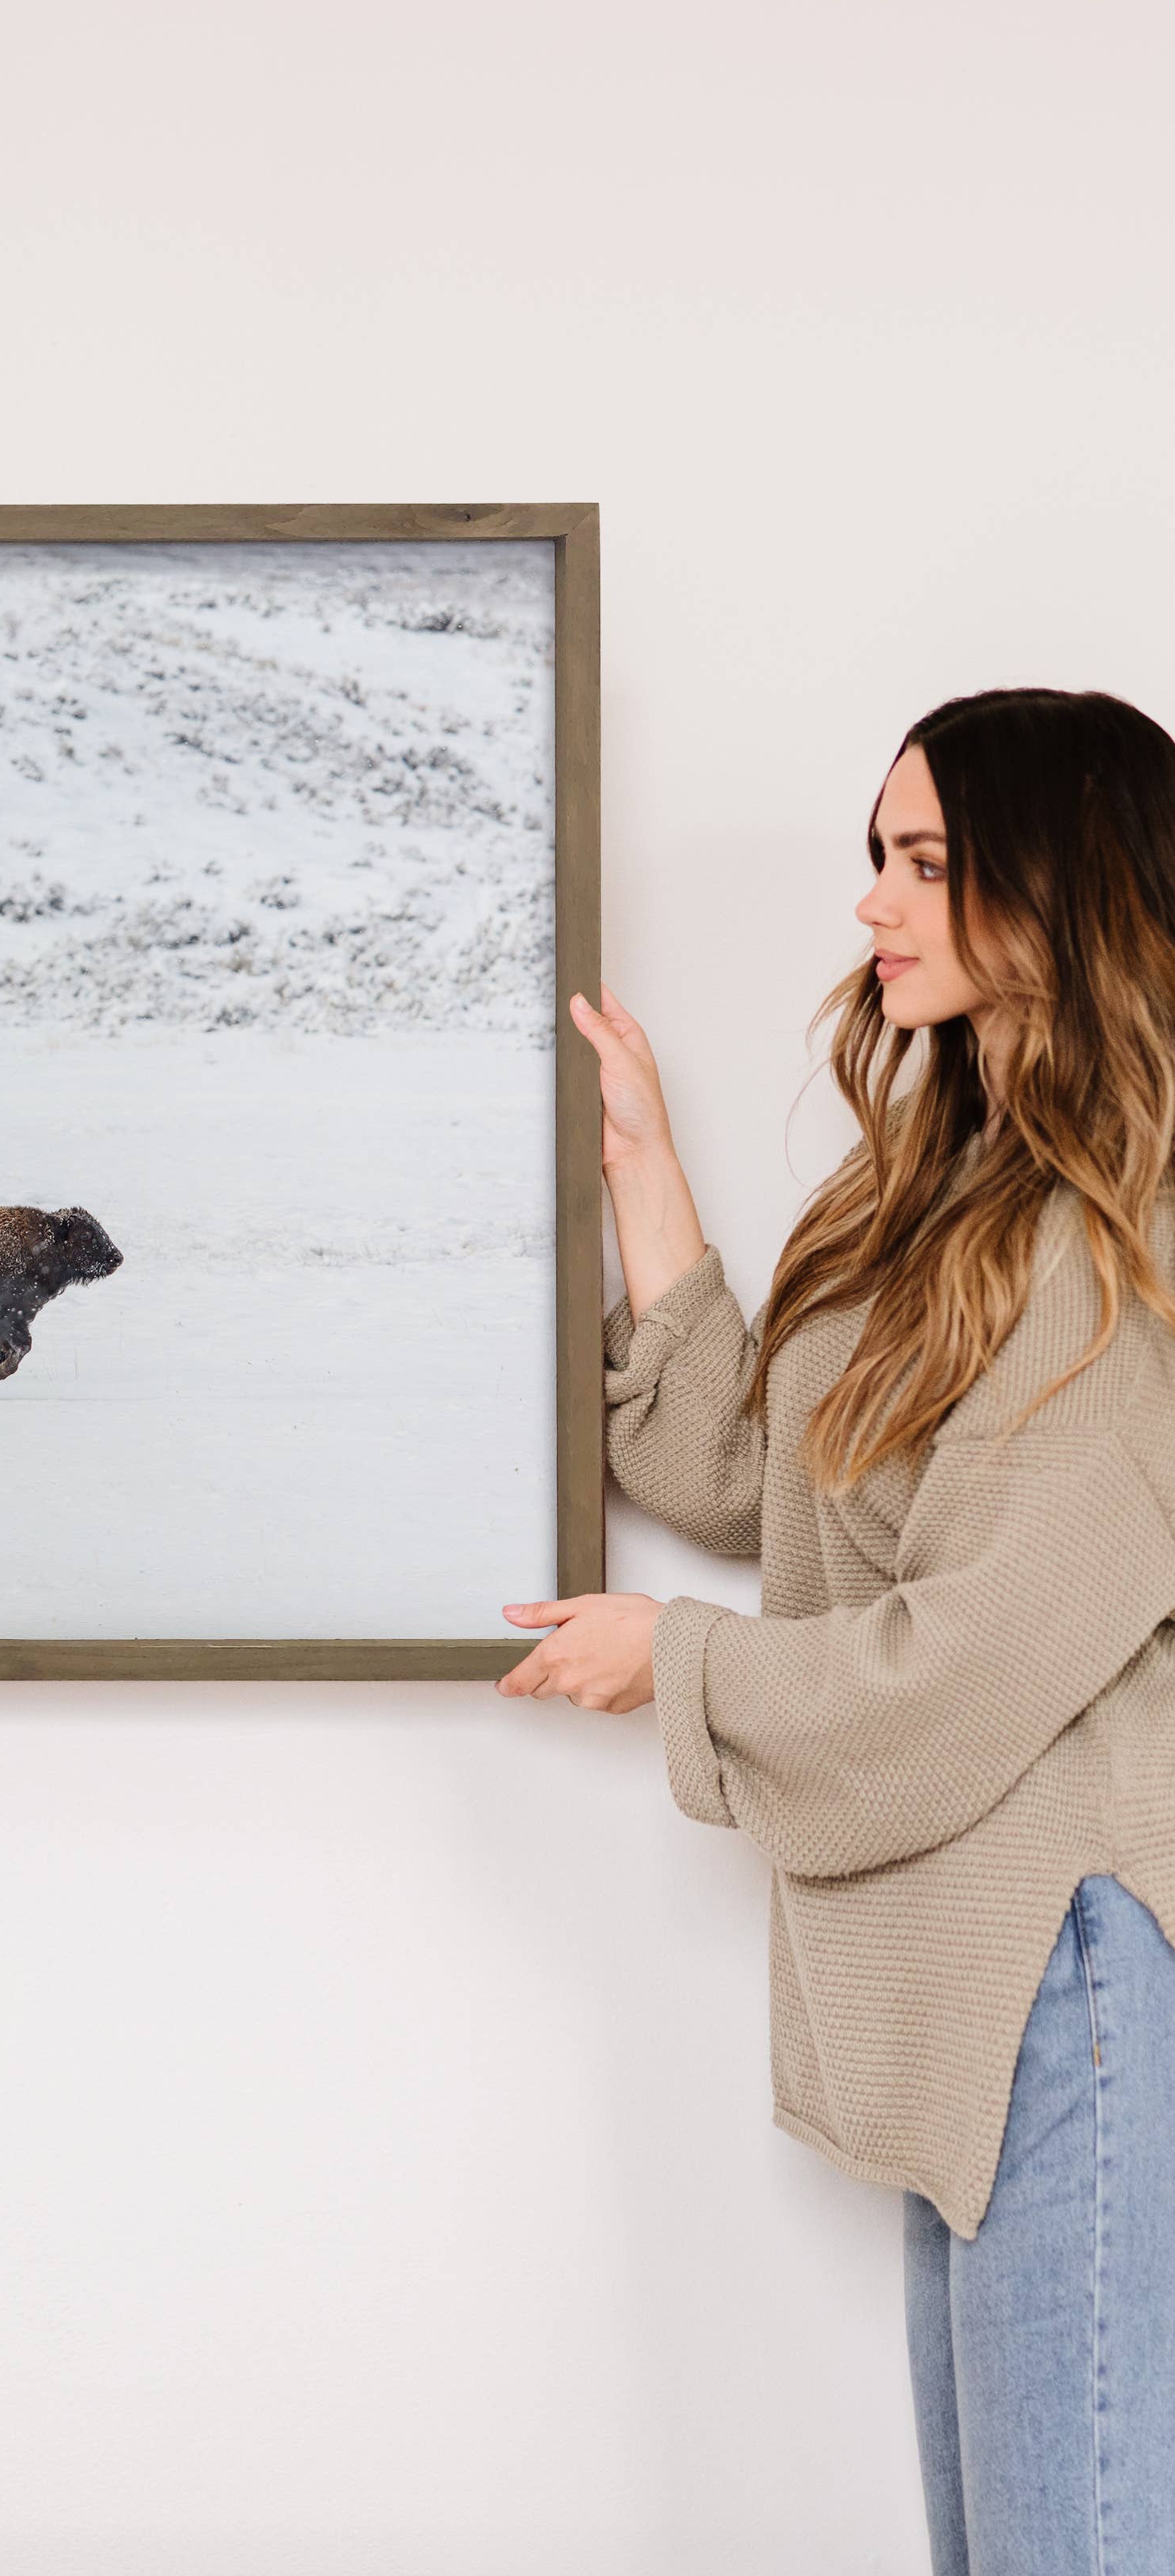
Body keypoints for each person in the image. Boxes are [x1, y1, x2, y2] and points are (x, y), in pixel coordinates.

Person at [500, 689, 1175, 2573]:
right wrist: (643, 1164)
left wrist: (678, 1666)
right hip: (977, 1994)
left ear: (1064, 889)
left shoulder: (1135, 1243)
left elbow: (974, 1657)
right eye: (878, 859)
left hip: (1076, 1987)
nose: (878, 905)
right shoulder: (945, 1191)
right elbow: (763, 1478)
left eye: (930, 864)